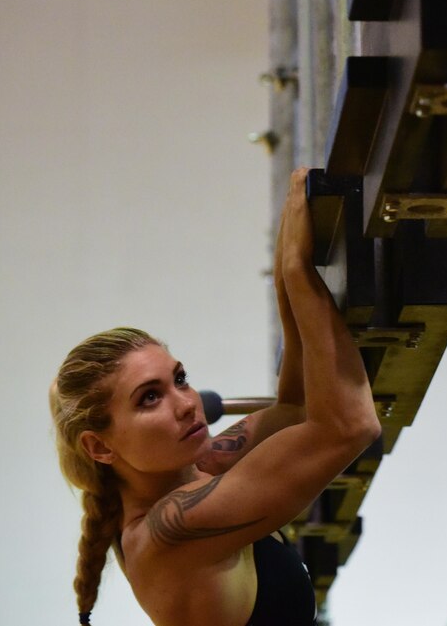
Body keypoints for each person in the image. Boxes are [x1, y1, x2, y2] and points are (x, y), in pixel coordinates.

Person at [49, 169, 381, 626]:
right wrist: (296, 272)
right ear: (100, 446)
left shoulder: (201, 469)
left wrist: (288, 268)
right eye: (149, 398)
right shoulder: (172, 529)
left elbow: (295, 410)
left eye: (179, 379)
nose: (187, 403)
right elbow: (349, 425)